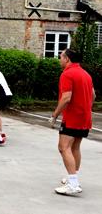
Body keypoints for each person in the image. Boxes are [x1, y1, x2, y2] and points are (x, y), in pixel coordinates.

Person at [49, 48, 94, 196]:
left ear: (67, 59)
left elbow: (66, 98)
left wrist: (55, 115)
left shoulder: (67, 74)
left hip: (73, 118)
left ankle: (73, 184)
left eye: (61, 57)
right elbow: (93, 95)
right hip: (84, 117)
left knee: (63, 147)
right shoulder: (85, 74)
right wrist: (84, 107)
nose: (59, 59)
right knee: (75, 147)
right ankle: (72, 177)